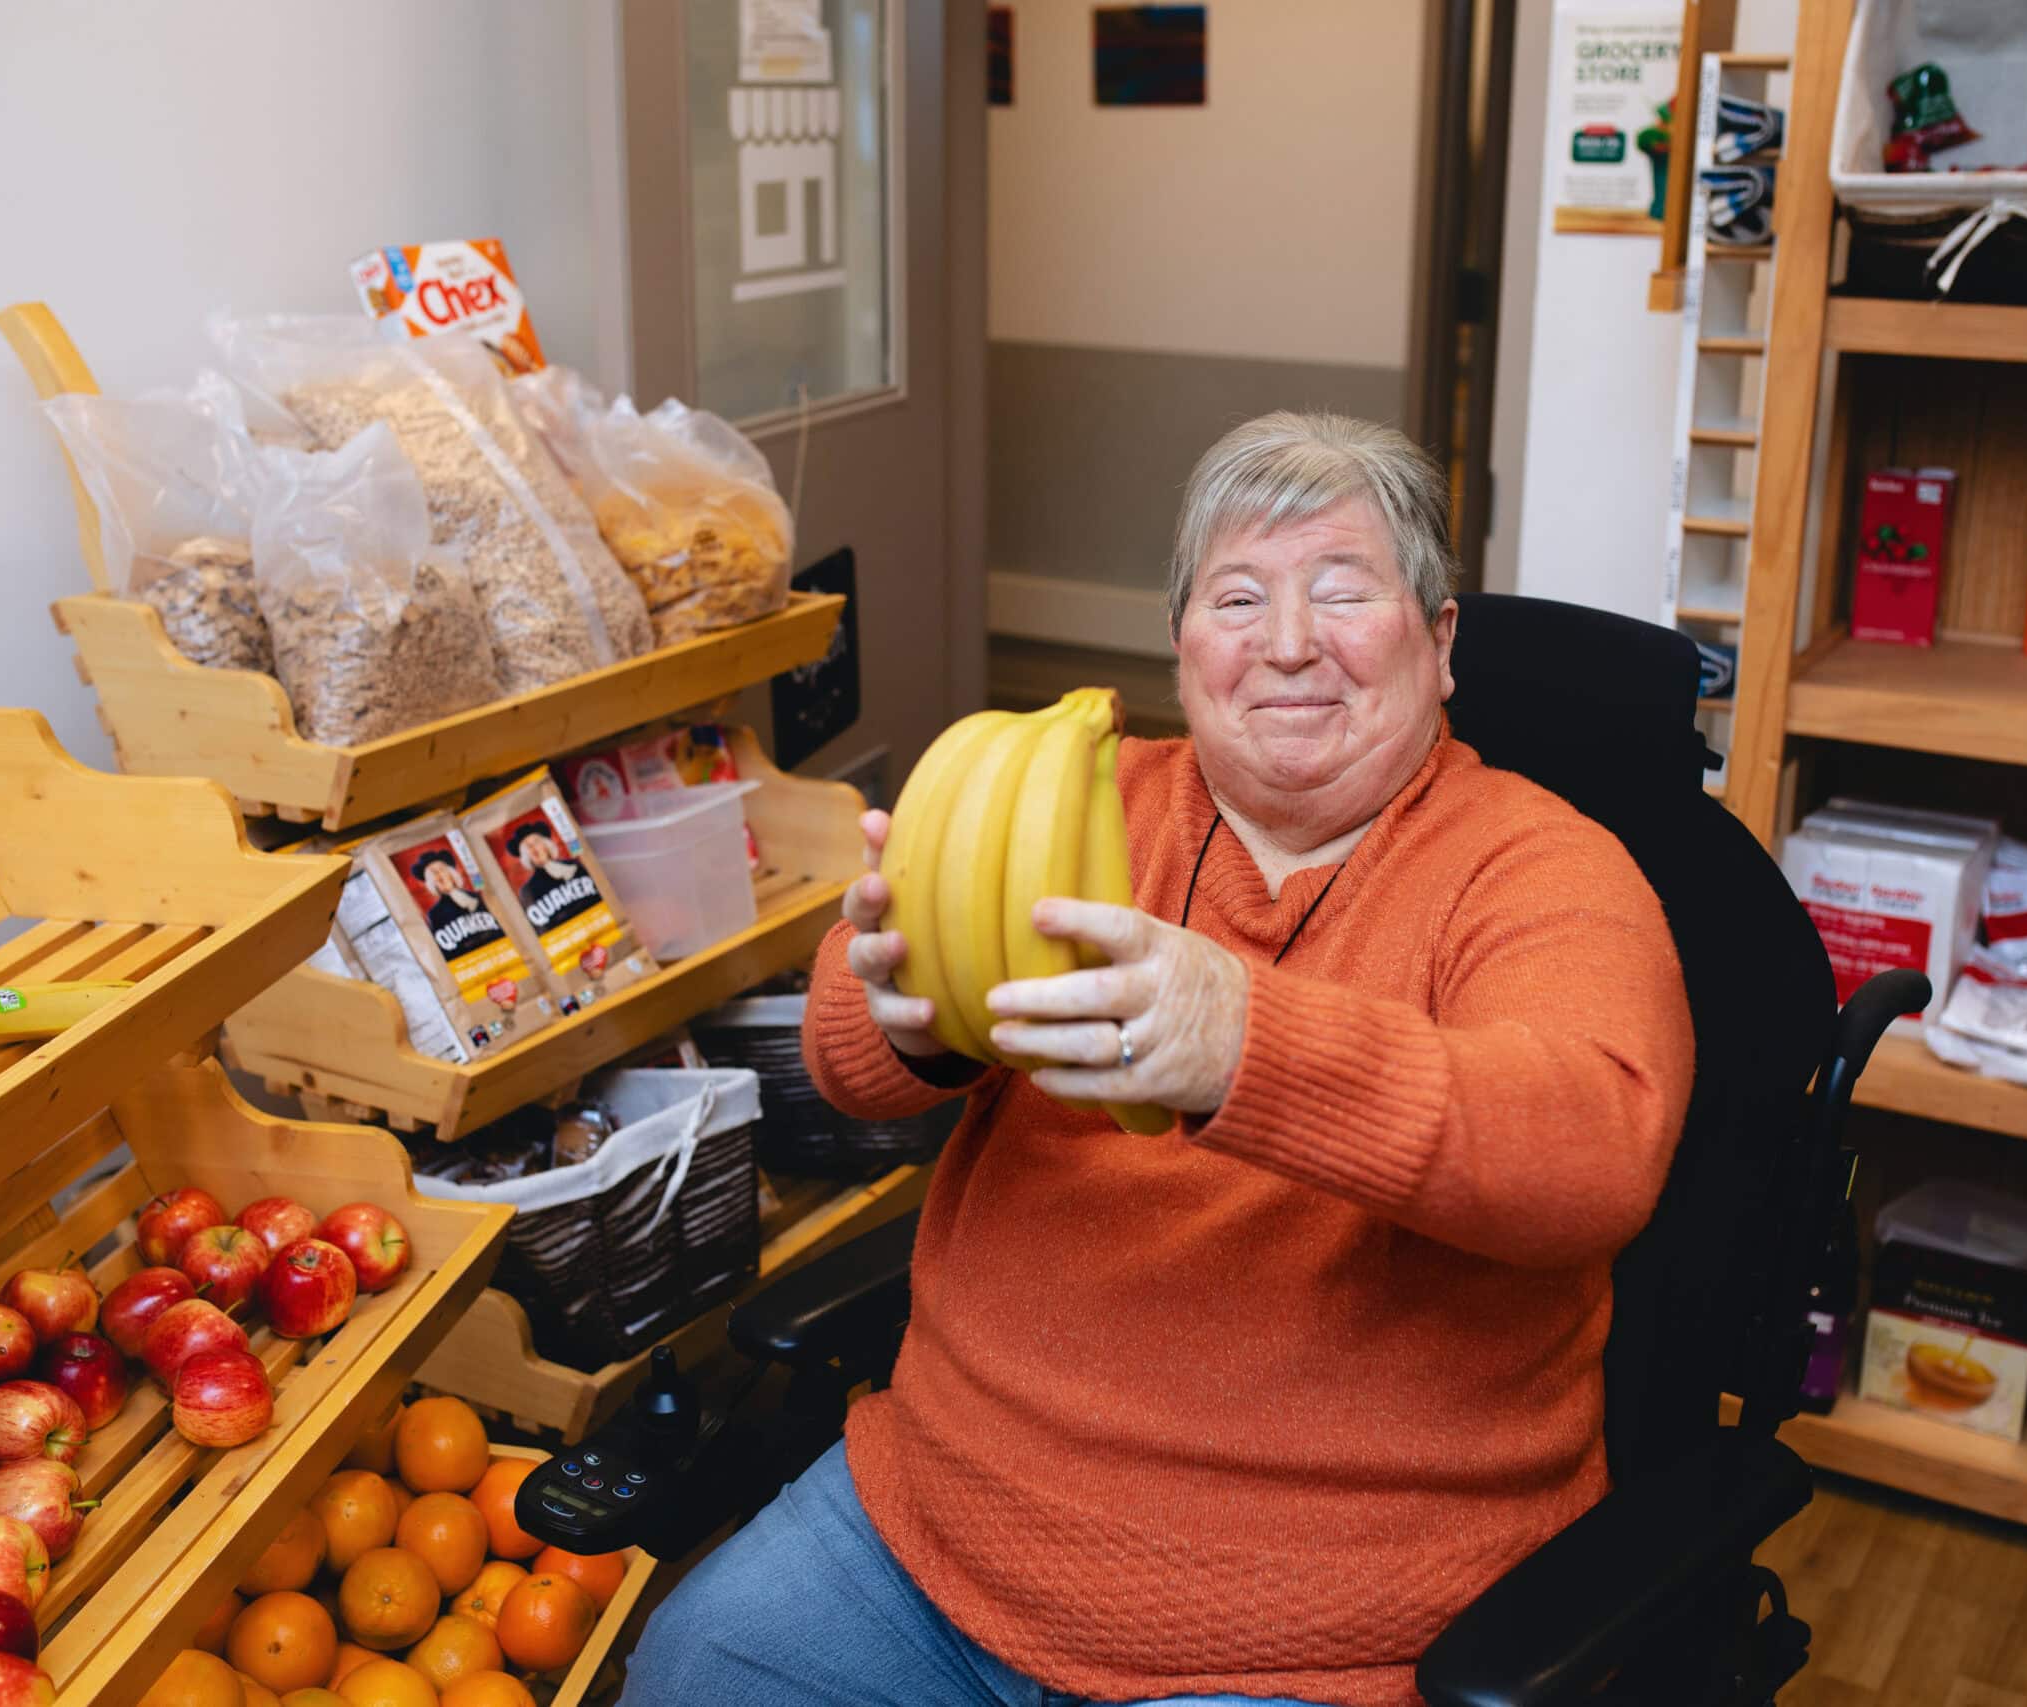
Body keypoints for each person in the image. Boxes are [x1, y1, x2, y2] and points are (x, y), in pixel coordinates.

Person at [624, 413, 1694, 1707]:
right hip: (932, 1533)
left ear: (1443, 641)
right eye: (1238, 597)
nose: (1289, 642)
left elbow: (1587, 1153)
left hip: (1311, 1631)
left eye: (1343, 594)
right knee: (691, 1662)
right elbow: (847, 1070)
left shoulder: (1541, 868)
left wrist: (1242, 1040)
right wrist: (906, 1021)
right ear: (1181, 646)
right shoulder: (1077, 804)